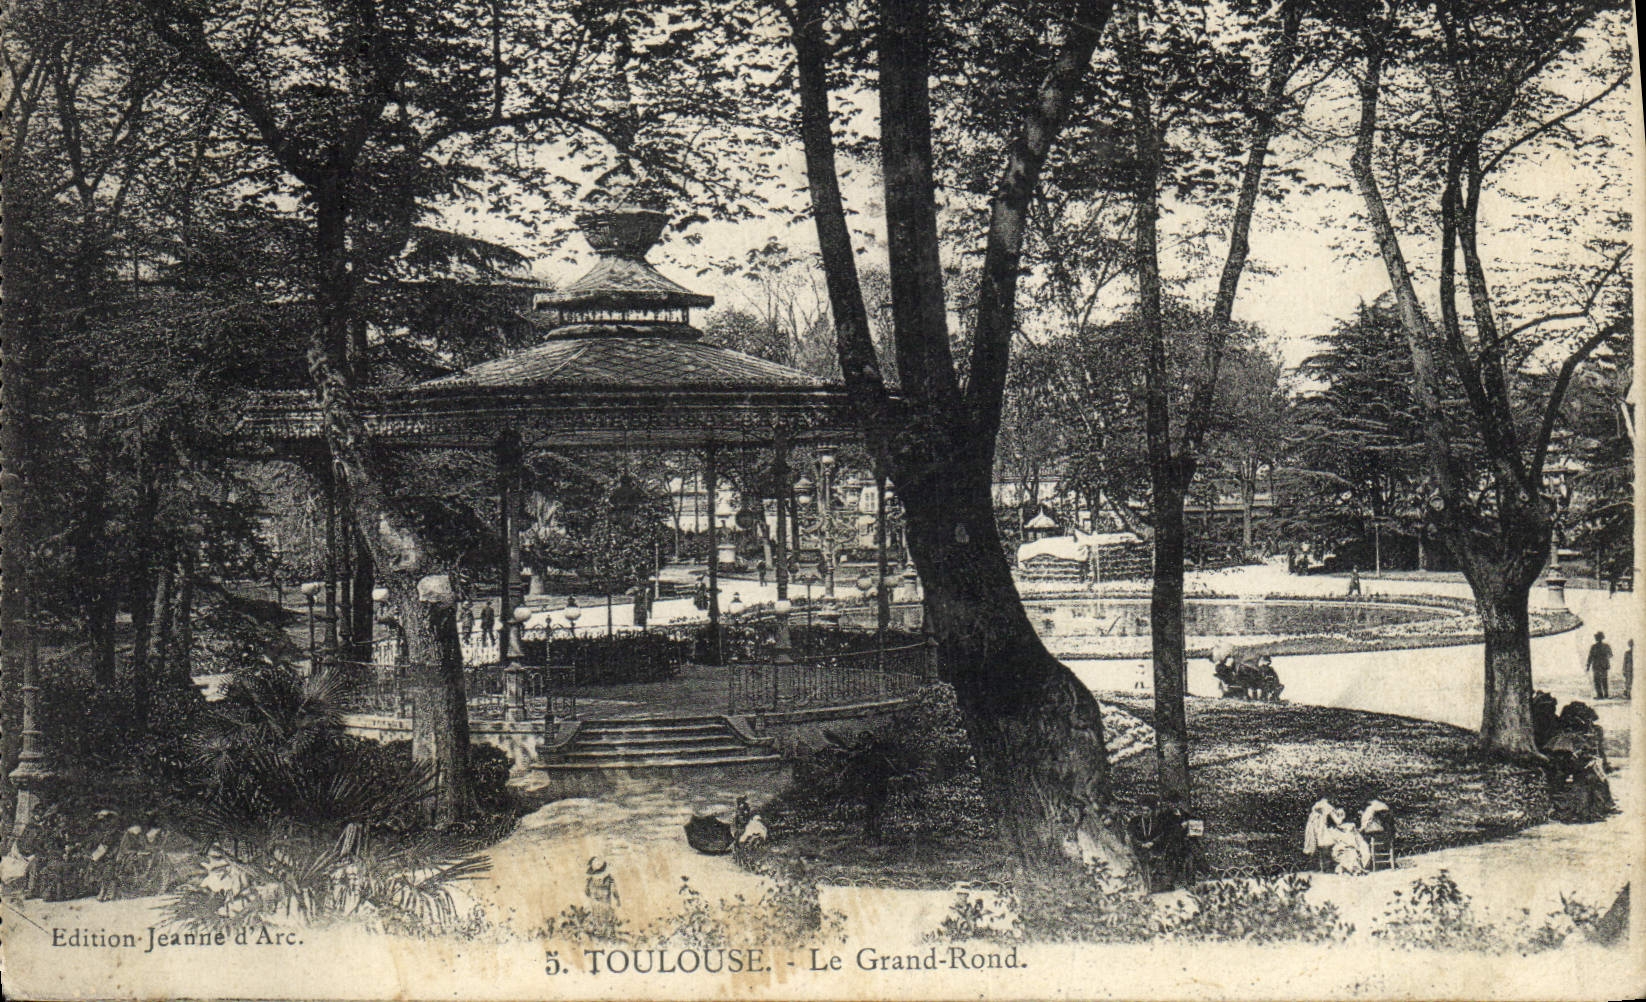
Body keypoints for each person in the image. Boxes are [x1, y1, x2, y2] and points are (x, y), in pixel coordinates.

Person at [1587, 631, 1612, 700]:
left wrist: (1588, 666)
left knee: (1597, 681)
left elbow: (1590, 657)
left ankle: (1600, 695)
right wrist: (1604, 657)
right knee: (1604, 680)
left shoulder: (1594, 647)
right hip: (1604, 665)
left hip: (1597, 666)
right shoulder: (1606, 646)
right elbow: (1610, 655)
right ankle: (1606, 695)